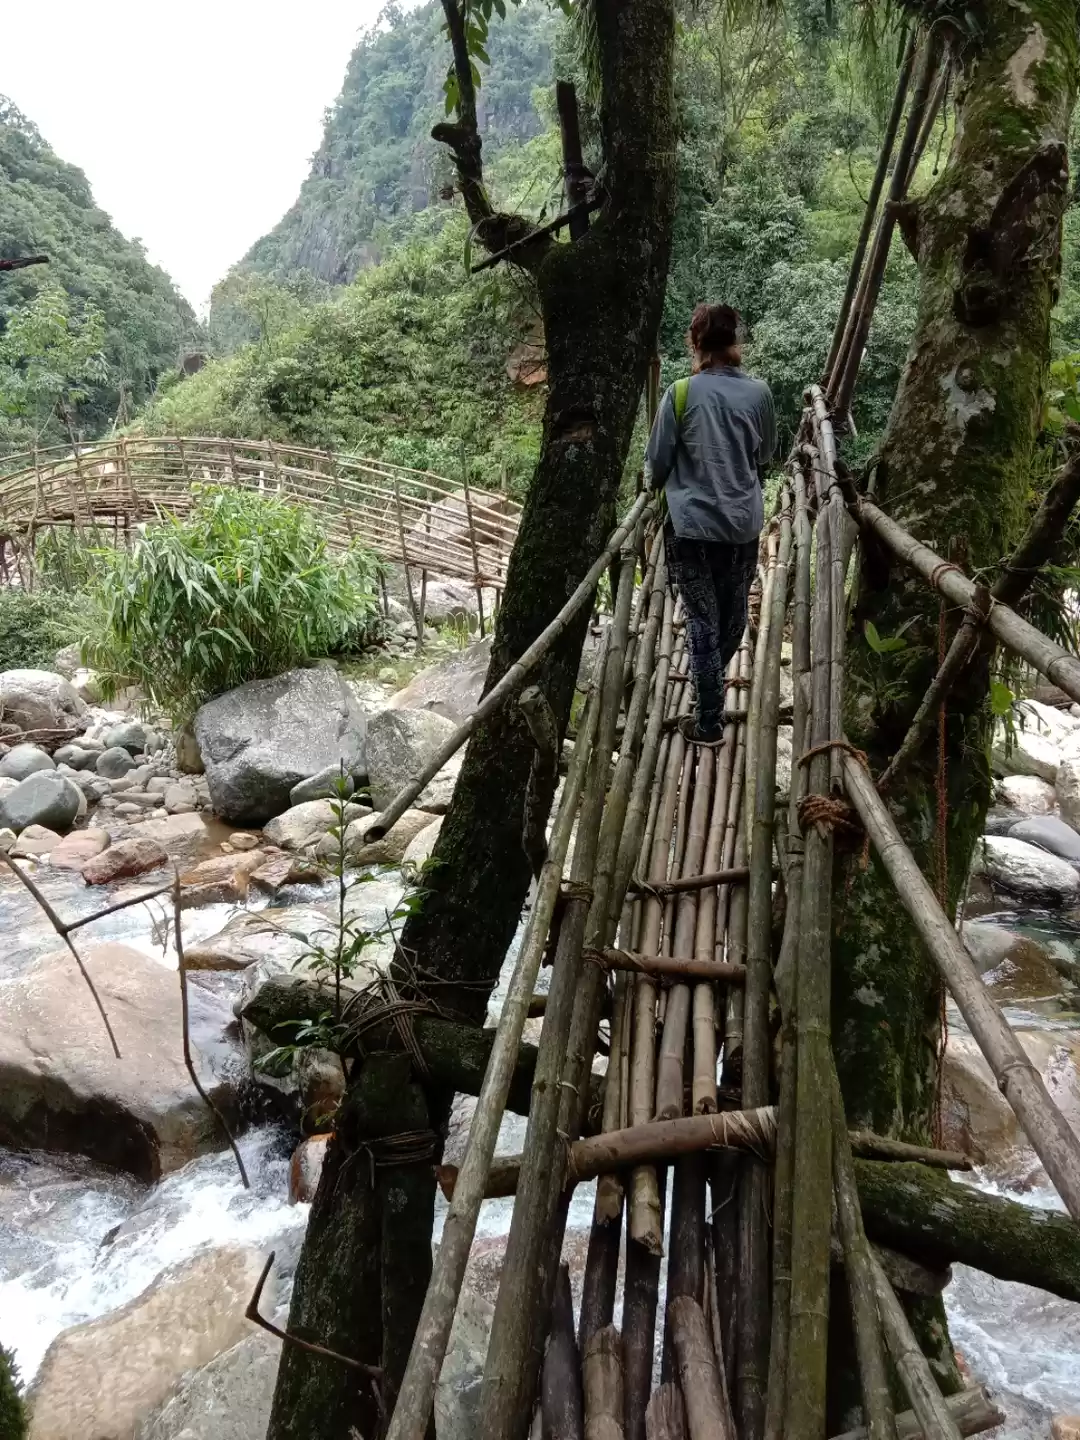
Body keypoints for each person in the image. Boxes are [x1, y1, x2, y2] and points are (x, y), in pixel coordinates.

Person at [644, 302, 777, 745]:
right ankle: (711, 694)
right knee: (733, 617)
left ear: (695, 342)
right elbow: (766, 454)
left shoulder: (679, 394)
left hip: (692, 528)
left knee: (702, 621)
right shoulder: (759, 394)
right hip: (741, 526)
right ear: (735, 341)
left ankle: (708, 720)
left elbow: (657, 463)